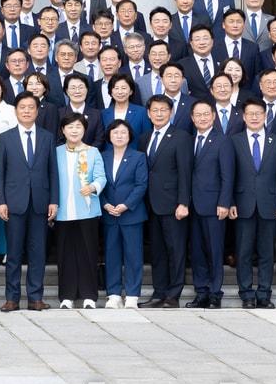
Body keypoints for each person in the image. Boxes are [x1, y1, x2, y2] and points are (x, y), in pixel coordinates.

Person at [0, 92, 58, 312]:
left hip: (40, 203)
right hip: (14, 203)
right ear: (16, 111)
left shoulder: (47, 137)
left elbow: (53, 172)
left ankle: (35, 298)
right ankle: (12, 298)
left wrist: (54, 201)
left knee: (38, 252)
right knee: (13, 253)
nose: (27, 111)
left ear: (37, 110)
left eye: (31, 107)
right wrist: (1, 201)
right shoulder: (6, 137)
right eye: (22, 107)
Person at [228, 100, 276, 310]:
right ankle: (246, 294)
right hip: (242, 204)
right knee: (243, 252)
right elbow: (230, 175)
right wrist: (231, 202)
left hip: (269, 205)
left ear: (265, 116)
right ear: (243, 117)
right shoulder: (234, 141)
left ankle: (264, 294)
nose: (254, 117)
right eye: (250, 114)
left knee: (266, 253)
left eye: (258, 114)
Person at [139, 94, 193, 307]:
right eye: (155, 110)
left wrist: (183, 202)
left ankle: (173, 295)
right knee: (158, 252)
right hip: (150, 204)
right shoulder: (144, 138)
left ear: (171, 113)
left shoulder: (181, 137)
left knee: (176, 250)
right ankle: (159, 293)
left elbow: (185, 172)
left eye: (163, 110)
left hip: (173, 204)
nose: (159, 114)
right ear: (149, 113)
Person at [186, 100, 236, 310]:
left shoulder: (222, 141)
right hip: (192, 205)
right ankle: (201, 292)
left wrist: (224, 202)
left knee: (214, 251)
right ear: (192, 118)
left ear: (213, 116)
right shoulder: (189, 140)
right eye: (198, 115)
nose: (202, 118)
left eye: (206, 114)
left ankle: (215, 293)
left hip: (214, 205)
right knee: (197, 252)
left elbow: (228, 175)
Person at [53, 113, 106, 309]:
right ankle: (66, 296)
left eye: (78, 126)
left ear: (84, 130)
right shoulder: (56, 152)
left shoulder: (93, 152)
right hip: (63, 212)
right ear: (63, 130)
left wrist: (93, 187)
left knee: (88, 252)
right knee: (65, 254)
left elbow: (101, 177)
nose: (74, 130)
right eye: (70, 126)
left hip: (87, 210)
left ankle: (89, 295)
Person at [100, 119, 148, 308]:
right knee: (111, 254)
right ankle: (113, 295)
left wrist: (126, 205)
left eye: (123, 133)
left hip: (131, 214)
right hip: (109, 213)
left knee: (133, 254)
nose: (119, 136)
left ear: (129, 136)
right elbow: (97, 183)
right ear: (109, 136)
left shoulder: (138, 157)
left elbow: (141, 184)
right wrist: (105, 205)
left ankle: (132, 295)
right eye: (115, 133)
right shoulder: (102, 156)